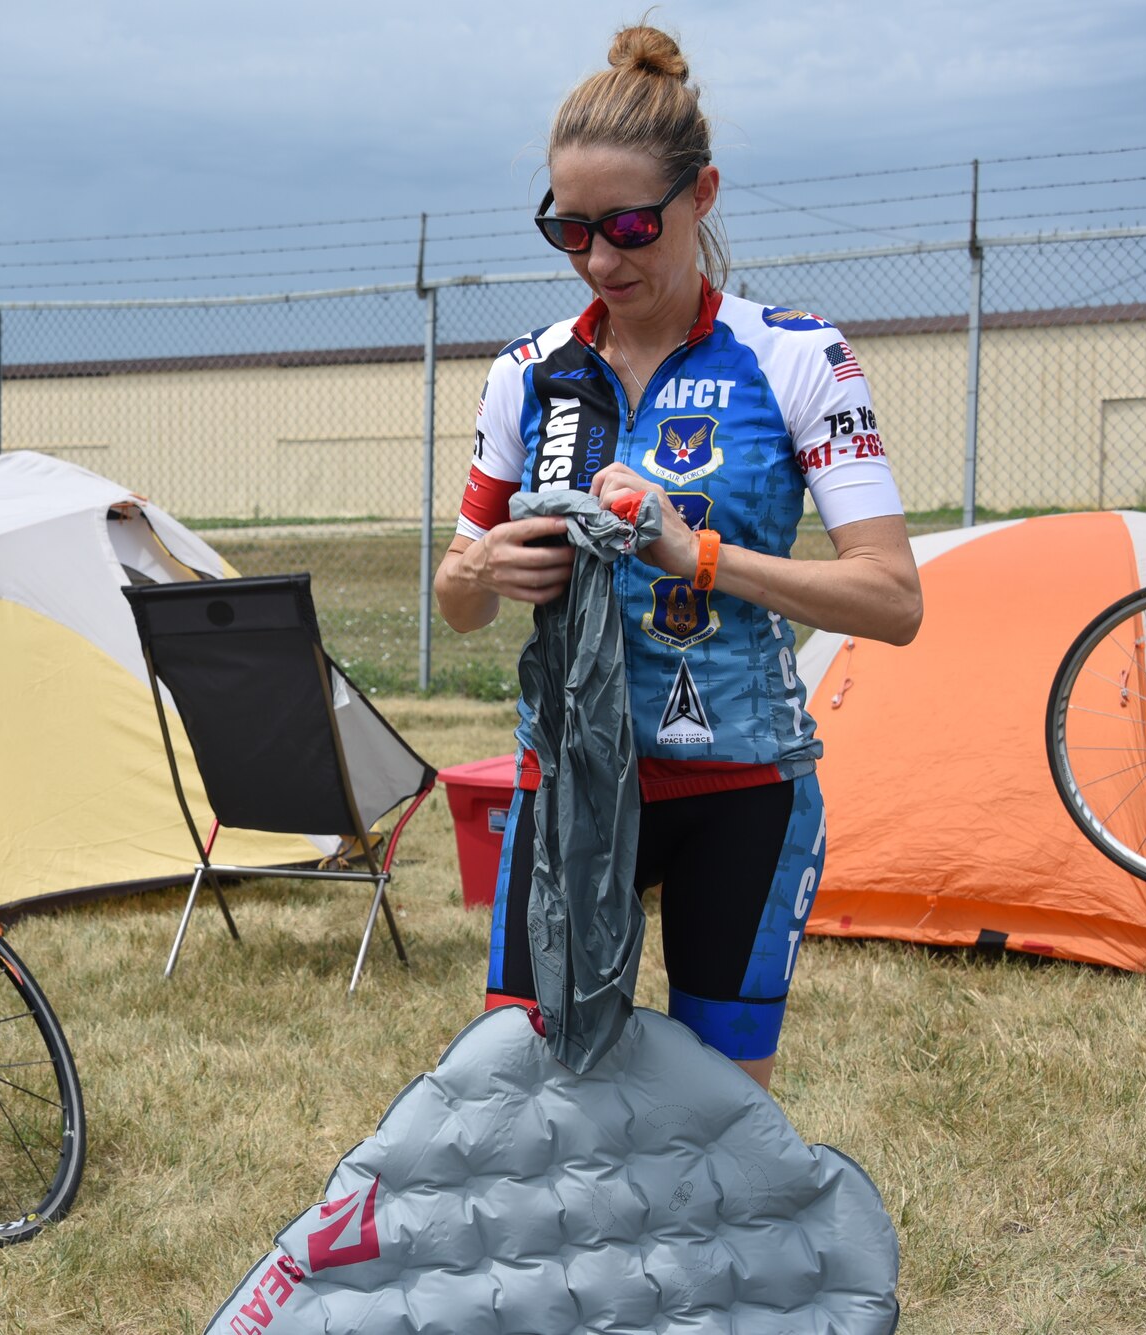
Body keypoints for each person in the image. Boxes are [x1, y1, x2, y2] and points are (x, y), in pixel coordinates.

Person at [433, 23, 923, 1092]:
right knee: (531, 1091)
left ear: (700, 196)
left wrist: (693, 554)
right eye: (569, 231)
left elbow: (891, 601)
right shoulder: (528, 372)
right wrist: (483, 574)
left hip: (737, 786)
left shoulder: (795, 355)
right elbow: (455, 598)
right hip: (566, 781)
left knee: (715, 1110)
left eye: (628, 226)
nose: (601, 261)